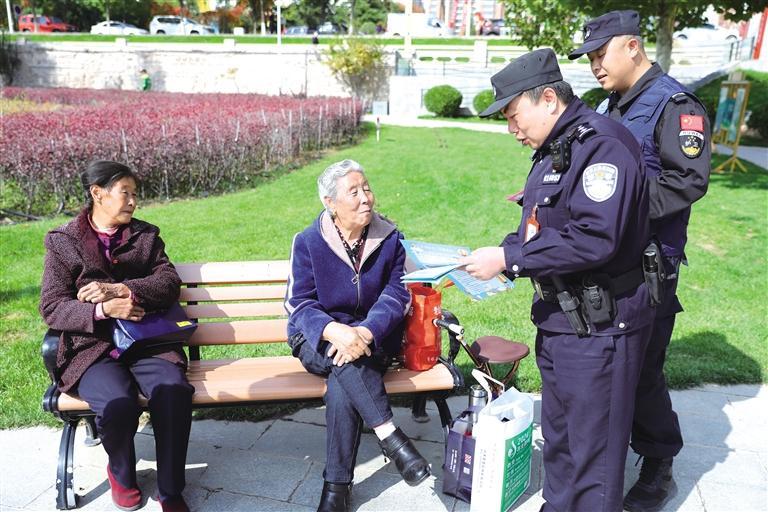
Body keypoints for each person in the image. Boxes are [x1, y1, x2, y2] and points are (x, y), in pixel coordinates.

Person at [460, 48, 655, 512]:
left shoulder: (601, 146)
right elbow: (540, 225)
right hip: (561, 322)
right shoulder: (557, 148)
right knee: (562, 442)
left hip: (598, 328)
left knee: (592, 456)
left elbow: (594, 239)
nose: (511, 129)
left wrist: (509, 259)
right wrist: (504, 253)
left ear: (548, 99)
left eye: (513, 115)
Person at [569, 11, 711, 512]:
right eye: (589, 57)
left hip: (650, 267)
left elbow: (688, 180)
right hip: (606, 259)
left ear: (632, 47)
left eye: (600, 54)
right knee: (608, 364)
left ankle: (658, 462)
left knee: (643, 369)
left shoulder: (675, 105)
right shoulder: (611, 104)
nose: (594, 66)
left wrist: (618, 209)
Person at [39, 160, 193, 512]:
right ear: (98, 193)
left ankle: (171, 489)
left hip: (148, 342)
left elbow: (169, 283)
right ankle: (121, 474)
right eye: (126, 193)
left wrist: (123, 290)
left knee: (173, 392)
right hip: (92, 350)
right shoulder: (64, 242)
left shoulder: (145, 236)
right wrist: (102, 311)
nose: (133, 202)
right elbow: (52, 306)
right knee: (117, 404)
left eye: (135, 194)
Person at [284, 159, 430, 512]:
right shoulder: (308, 241)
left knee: (342, 379)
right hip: (317, 337)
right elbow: (298, 302)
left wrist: (364, 331)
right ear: (330, 203)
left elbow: (397, 294)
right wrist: (334, 330)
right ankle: (390, 435)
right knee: (344, 360)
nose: (366, 197)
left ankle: (336, 488)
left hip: (372, 337)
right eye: (354, 192)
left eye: (367, 188)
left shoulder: (390, 238)